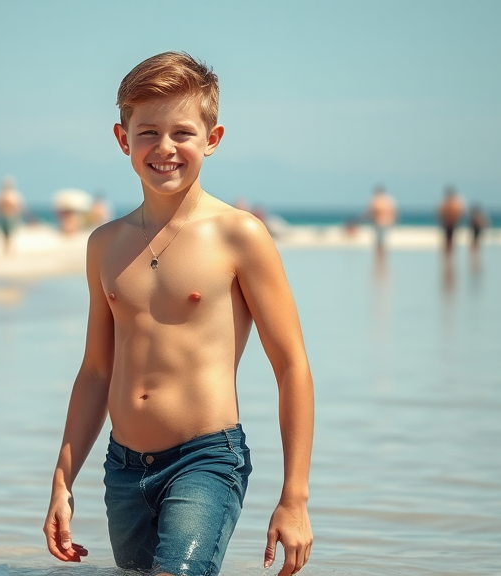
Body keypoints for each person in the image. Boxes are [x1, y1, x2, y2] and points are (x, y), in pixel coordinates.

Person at [42, 51, 315, 576]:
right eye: (148, 132)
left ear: (211, 140)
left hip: (206, 460)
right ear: (123, 140)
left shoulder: (240, 235)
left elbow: (292, 367)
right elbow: (97, 370)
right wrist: (62, 478)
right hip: (122, 469)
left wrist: (294, 498)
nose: (164, 148)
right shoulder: (105, 244)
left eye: (183, 133)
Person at [0, 177, 25, 253]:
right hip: (3, 216)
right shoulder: (0, 195)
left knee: (10, 234)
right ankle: (5, 249)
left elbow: (20, 207)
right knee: (3, 234)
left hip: (12, 217)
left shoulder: (14, 195)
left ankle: (9, 249)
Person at [364, 185, 398, 255]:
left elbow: (394, 212)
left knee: (381, 240)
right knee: (379, 240)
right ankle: (380, 256)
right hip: (378, 223)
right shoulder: (377, 200)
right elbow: (370, 211)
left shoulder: (386, 200)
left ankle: (381, 256)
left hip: (384, 223)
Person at [437, 186, 466, 256]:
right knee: (448, 241)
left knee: (450, 241)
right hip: (448, 223)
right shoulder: (447, 203)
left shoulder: (454, 203)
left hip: (451, 223)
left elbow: (460, 213)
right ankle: (448, 256)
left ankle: (449, 256)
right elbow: (440, 213)